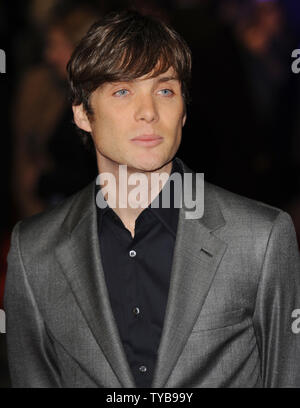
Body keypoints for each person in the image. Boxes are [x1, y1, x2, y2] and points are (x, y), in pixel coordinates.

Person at [4, 10, 300, 388]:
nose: (148, 112)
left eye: (165, 90)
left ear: (184, 110)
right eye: (123, 91)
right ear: (82, 113)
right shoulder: (34, 252)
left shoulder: (261, 239)